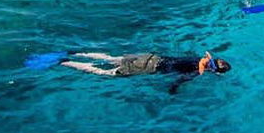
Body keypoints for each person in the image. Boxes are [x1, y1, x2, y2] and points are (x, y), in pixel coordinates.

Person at [60, 50, 230, 93]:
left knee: (110, 58)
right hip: (147, 68)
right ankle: (67, 63)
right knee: (105, 73)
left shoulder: (198, 58)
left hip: (150, 57)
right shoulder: (196, 72)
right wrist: (173, 92)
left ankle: (76, 53)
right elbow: (176, 82)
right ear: (214, 71)